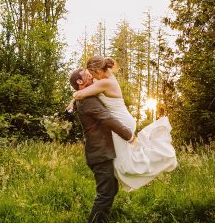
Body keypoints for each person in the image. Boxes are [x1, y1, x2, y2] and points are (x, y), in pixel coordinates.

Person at [71, 56, 178, 192]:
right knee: (123, 160)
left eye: (91, 74)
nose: (92, 77)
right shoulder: (107, 80)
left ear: (97, 70)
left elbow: (79, 95)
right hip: (124, 119)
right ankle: (120, 185)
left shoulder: (104, 83)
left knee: (124, 164)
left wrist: (72, 99)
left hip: (121, 122)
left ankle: (160, 157)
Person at [69, 68, 135, 223]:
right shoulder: (87, 101)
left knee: (110, 188)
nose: (91, 77)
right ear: (79, 81)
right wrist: (129, 136)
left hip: (101, 151)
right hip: (99, 152)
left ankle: (101, 222)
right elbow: (107, 119)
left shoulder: (86, 97)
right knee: (105, 191)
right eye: (87, 75)